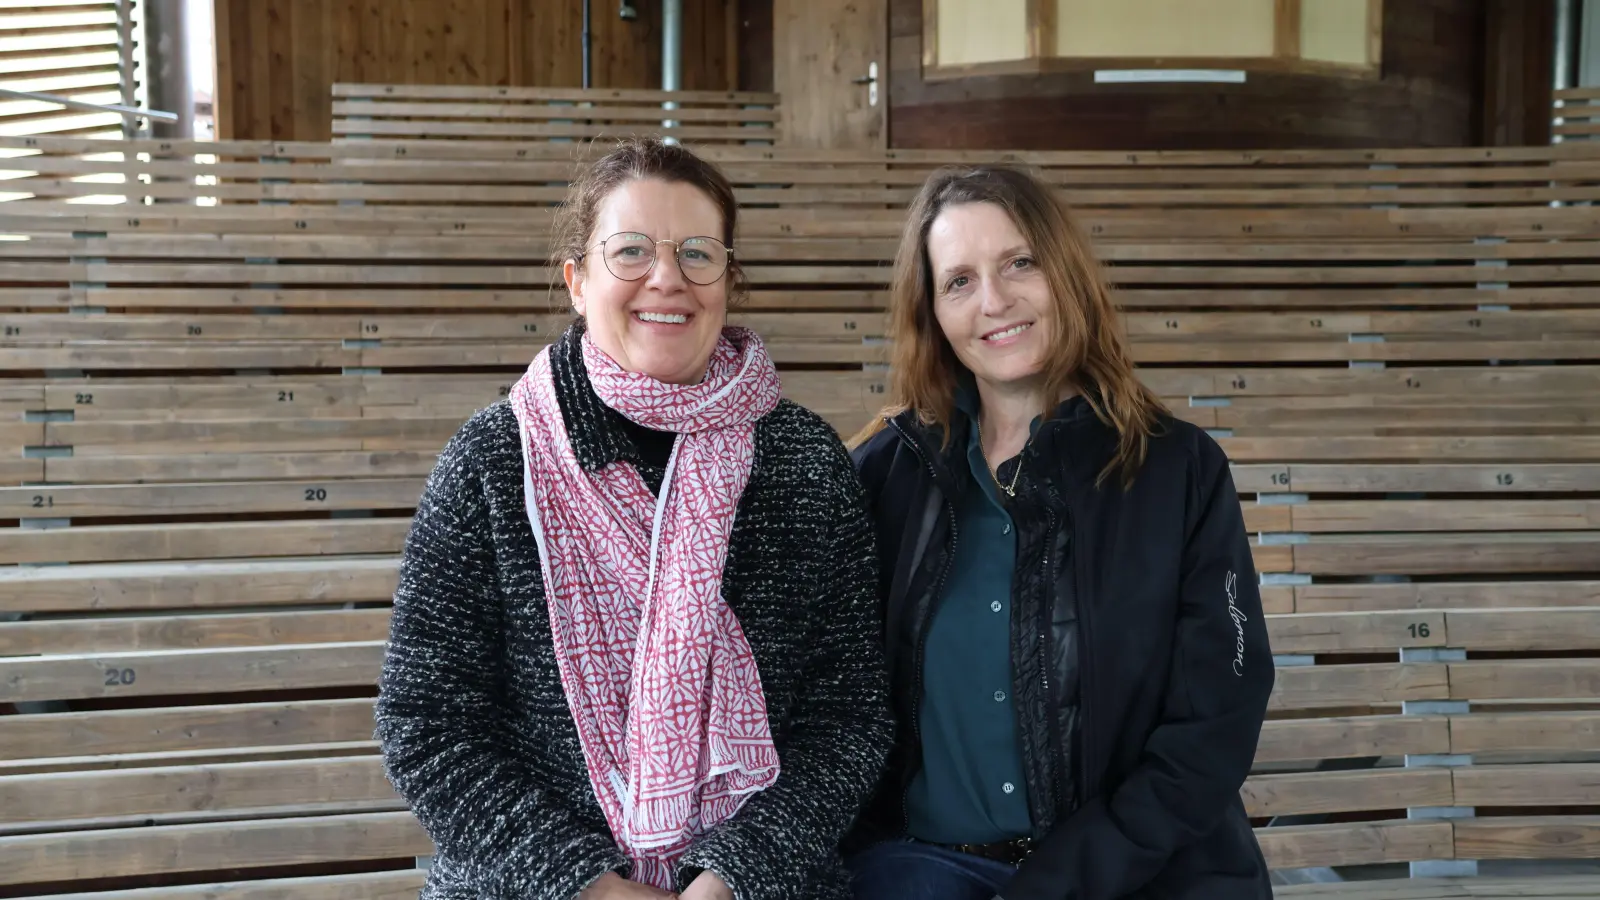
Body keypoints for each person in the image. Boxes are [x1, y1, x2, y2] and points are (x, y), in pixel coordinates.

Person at [376, 138, 893, 900]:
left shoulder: (803, 460)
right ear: (578, 281)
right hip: (534, 886)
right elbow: (429, 724)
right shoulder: (494, 460)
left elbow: (849, 717)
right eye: (630, 252)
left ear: (729, 280)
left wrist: (730, 878)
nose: (667, 278)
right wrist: (593, 886)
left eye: (697, 252)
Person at [845, 165, 1275, 900]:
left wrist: (1061, 882)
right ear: (932, 312)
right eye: (959, 282)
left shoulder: (1179, 470)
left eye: (1020, 263)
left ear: (1064, 272)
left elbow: (1216, 718)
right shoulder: (884, 475)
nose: (995, 301)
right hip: (925, 874)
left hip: (1142, 876)